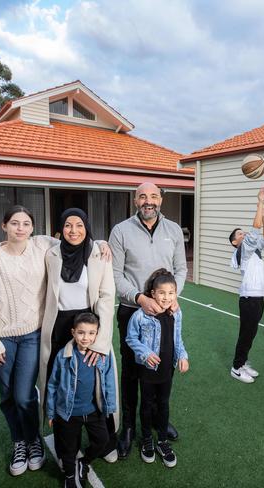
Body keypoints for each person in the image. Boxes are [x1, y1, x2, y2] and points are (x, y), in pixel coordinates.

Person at [109, 182, 187, 458]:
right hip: (133, 310)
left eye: (153, 196)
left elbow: (180, 269)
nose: (148, 200)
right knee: (132, 370)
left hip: (166, 310)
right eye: (142, 196)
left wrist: (171, 297)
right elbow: (115, 275)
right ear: (135, 200)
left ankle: (157, 420)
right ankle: (129, 427)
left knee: (162, 366)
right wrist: (141, 299)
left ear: (161, 200)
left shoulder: (174, 230)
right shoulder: (120, 231)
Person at [38, 208, 119, 463]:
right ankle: (66, 448)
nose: (74, 230)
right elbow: (30, 237)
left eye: (80, 225)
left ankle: (105, 442)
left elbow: (107, 297)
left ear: (87, 227)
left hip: (89, 324)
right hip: (60, 326)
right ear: (61, 228)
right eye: (69, 225)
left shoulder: (98, 253)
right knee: (61, 383)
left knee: (97, 378)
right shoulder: (50, 252)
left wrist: (102, 342)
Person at [0, 205, 53, 476]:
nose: (20, 228)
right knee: (7, 396)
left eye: (26, 223)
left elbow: (75, 238)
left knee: (24, 395)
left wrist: (101, 243)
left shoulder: (42, 244)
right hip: (3, 336)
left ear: (33, 227)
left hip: (33, 334)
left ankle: (34, 440)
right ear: (4, 226)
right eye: (15, 223)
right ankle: (20, 442)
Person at [125, 269, 189, 468]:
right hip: (147, 371)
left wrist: (183, 356)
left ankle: (162, 440)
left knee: (163, 404)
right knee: (146, 405)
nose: (166, 297)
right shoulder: (140, 316)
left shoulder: (176, 313)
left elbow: (177, 339)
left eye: (171, 293)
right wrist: (145, 353)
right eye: (162, 293)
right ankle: (146, 439)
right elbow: (131, 338)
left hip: (167, 370)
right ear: (153, 294)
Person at [46, 312, 117, 488]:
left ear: (97, 333)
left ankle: (84, 462)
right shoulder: (63, 355)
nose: (86, 338)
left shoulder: (102, 355)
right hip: (69, 413)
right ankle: (70, 475)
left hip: (94, 411)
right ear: (73, 332)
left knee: (102, 440)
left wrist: (111, 405)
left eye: (91, 333)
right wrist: (50, 412)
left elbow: (109, 381)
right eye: (81, 332)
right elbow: (53, 385)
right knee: (68, 448)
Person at [228, 187, 264, 384]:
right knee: (246, 334)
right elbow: (254, 231)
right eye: (240, 233)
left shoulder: (253, 250)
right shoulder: (243, 250)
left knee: (251, 333)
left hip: (259, 297)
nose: (243, 234)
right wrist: (260, 203)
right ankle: (236, 368)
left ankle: (243, 361)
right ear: (235, 242)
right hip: (249, 299)